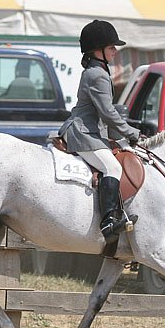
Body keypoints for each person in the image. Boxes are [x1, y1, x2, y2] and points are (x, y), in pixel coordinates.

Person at [58, 20, 141, 242]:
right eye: (111, 47)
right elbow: (107, 112)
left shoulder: (98, 71)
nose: (115, 51)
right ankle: (108, 221)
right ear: (98, 50)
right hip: (82, 132)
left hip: (90, 131)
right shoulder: (97, 75)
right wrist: (131, 132)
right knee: (113, 167)